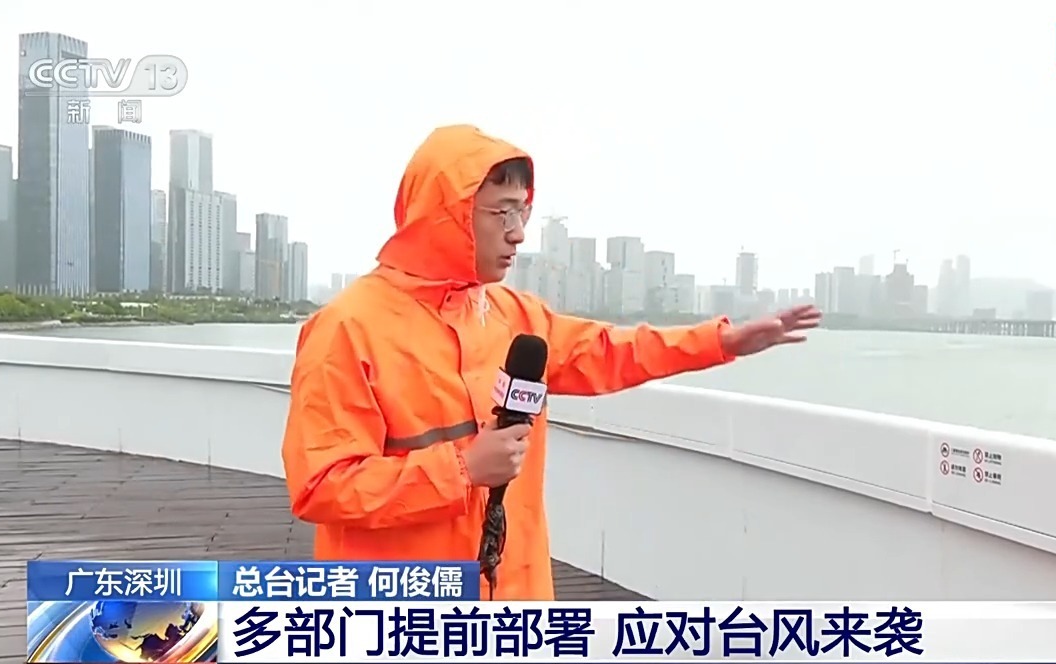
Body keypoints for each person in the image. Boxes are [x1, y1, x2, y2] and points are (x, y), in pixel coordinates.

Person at [280, 124, 822, 600]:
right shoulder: (348, 329)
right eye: (501, 212)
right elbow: (321, 484)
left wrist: (721, 341)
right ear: (445, 216)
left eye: (523, 211)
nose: (518, 232)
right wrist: (462, 470)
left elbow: (611, 351)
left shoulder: (515, 317)